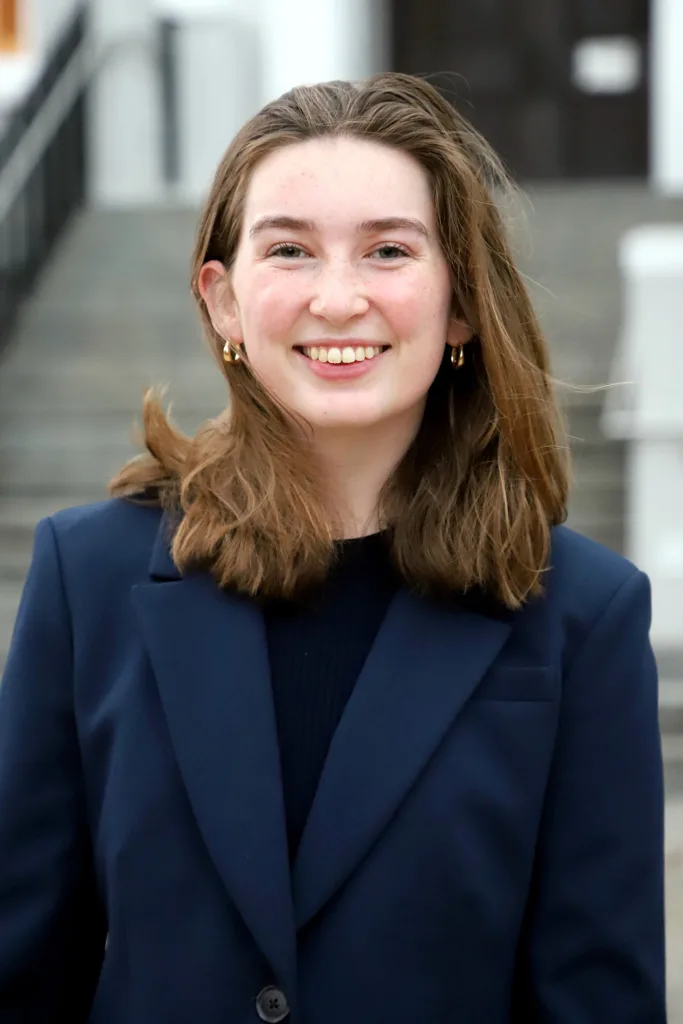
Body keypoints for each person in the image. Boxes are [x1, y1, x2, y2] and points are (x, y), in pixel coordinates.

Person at [0, 73, 665, 1023]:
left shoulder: (583, 616)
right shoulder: (87, 579)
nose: (338, 297)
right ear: (223, 303)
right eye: (289, 251)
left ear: (461, 304)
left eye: (388, 250)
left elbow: (599, 999)